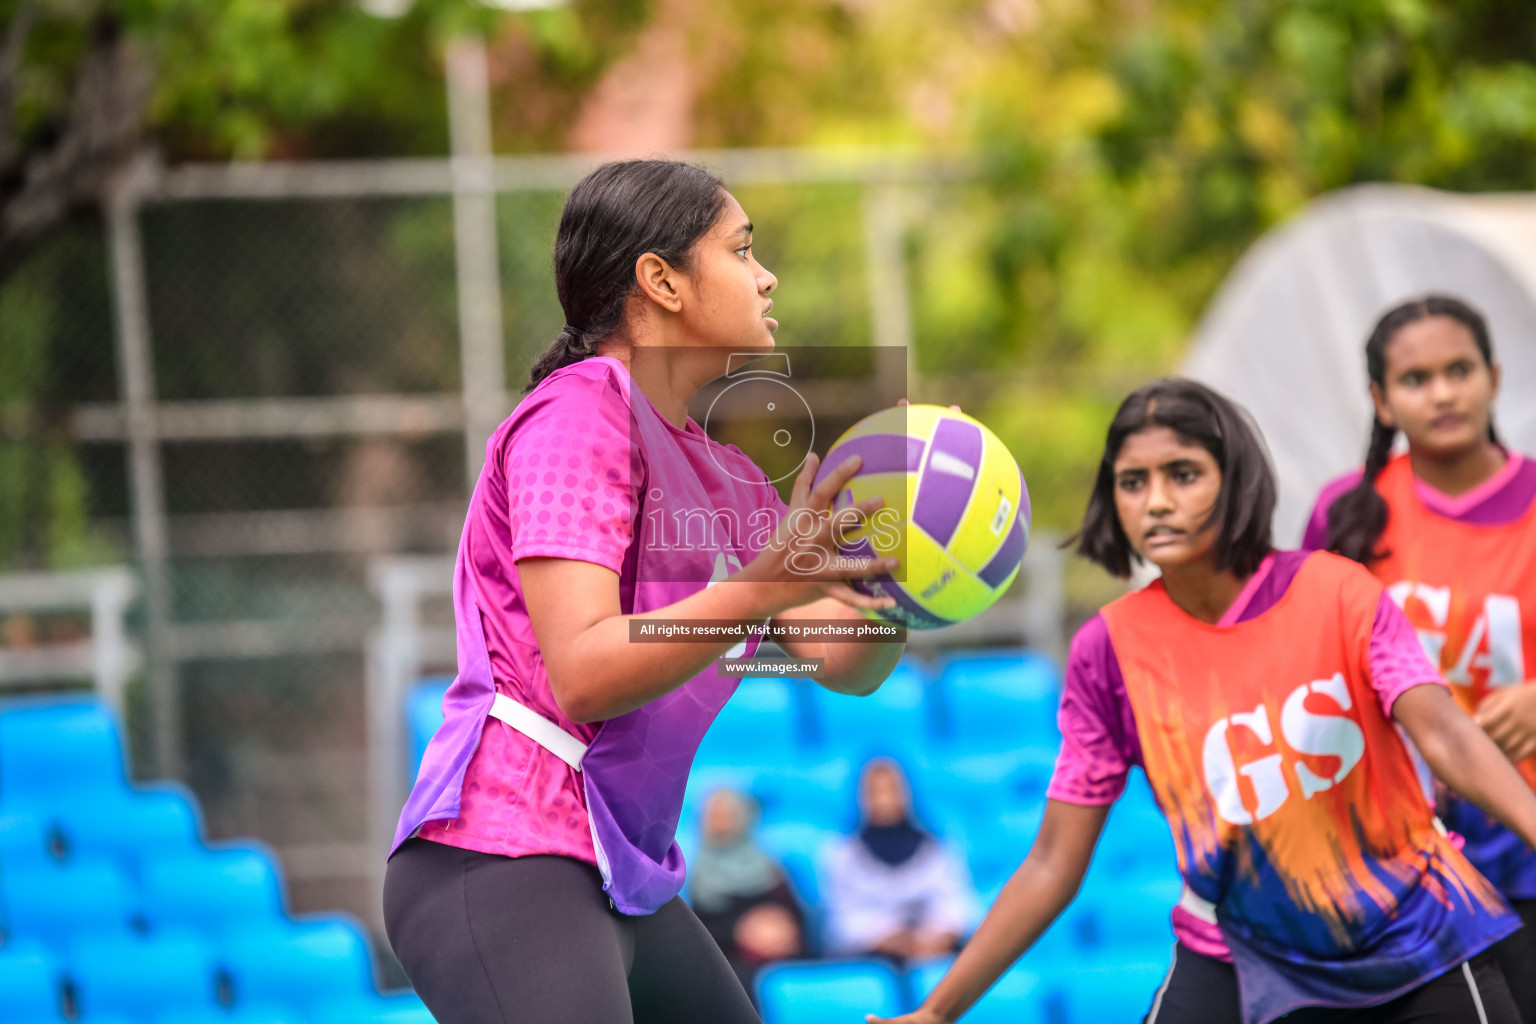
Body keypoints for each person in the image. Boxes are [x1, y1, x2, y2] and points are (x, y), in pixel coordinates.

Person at [381, 159, 907, 1024]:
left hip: (619, 869)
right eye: (741, 250)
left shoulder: (731, 472)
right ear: (661, 281)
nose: (766, 274)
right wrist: (767, 583)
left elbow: (844, 659)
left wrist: (902, 582)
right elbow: (582, 670)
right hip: (501, 852)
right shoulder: (577, 414)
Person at [870, 378, 1536, 1024]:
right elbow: (1052, 861)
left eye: (1183, 474)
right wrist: (936, 1010)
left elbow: (1446, 736)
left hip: (1411, 942)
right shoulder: (1109, 650)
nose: (1156, 501)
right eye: (1134, 482)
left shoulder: (1339, 591)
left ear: (1235, 481)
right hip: (1240, 959)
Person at [1304, 295, 1536, 1021]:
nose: (1442, 393)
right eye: (1416, 378)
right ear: (1380, 399)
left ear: (1495, 377)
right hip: (1401, 868)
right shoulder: (1346, 515)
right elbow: (1302, 674)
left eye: (1459, 369)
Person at [823, 757, 976, 962]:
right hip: (871, 960)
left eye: (891, 790)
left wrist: (936, 937)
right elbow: (840, 922)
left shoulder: (936, 847)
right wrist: (886, 939)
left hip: (932, 955)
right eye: (875, 792)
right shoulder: (841, 854)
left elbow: (958, 905)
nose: (884, 800)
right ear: (861, 797)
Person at [690, 789, 806, 994]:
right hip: (732, 961)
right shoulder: (700, 876)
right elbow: (701, 932)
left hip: (782, 955)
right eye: (714, 817)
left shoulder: (771, 868)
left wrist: (782, 929)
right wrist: (741, 932)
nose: (720, 825)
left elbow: (796, 917)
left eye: (727, 816)